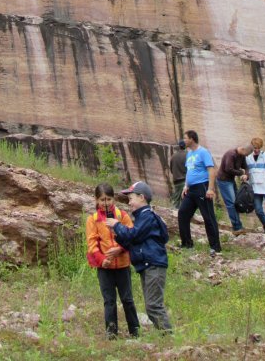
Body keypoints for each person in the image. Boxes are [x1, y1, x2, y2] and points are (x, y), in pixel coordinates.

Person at [106, 181, 172, 332]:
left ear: (142, 197)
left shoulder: (147, 216)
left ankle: (168, 335)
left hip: (153, 265)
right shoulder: (142, 217)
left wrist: (117, 225)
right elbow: (133, 241)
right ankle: (166, 334)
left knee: (153, 306)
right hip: (146, 265)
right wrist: (118, 235)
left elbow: (133, 235)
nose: (129, 203)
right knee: (151, 305)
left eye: (131, 199)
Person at [86, 182, 140, 339]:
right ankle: (111, 333)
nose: (106, 203)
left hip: (123, 265)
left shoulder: (122, 216)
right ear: (96, 200)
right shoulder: (93, 220)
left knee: (127, 300)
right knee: (109, 301)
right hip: (105, 268)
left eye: (108, 199)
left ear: (114, 199)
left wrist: (120, 249)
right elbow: (92, 244)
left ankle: (135, 331)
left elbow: (131, 237)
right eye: (102, 200)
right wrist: (102, 259)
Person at [177, 130, 221, 255]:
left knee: (208, 217)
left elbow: (211, 170)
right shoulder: (189, 153)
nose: (183, 140)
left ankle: (215, 246)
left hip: (202, 187)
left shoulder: (203, 152)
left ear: (192, 139)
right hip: (191, 189)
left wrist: (210, 189)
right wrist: (186, 185)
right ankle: (186, 243)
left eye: (185, 138)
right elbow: (189, 171)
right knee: (183, 213)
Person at [216, 145, 252, 235]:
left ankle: (238, 225)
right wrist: (241, 173)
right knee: (231, 203)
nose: (246, 156)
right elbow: (228, 169)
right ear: (242, 149)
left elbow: (246, 167)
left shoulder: (241, 155)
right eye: (246, 154)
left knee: (236, 202)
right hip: (223, 180)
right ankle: (237, 227)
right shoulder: (231, 154)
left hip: (231, 180)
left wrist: (246, 175)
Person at [169, 140, 187, 209]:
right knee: (185, 201)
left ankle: (175, 212)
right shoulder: (188, 155)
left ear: (179, 146)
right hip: (185, 181)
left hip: (176, 181)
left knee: (176, 201)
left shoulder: (173, 156)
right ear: (185, 146)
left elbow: (171, 169)